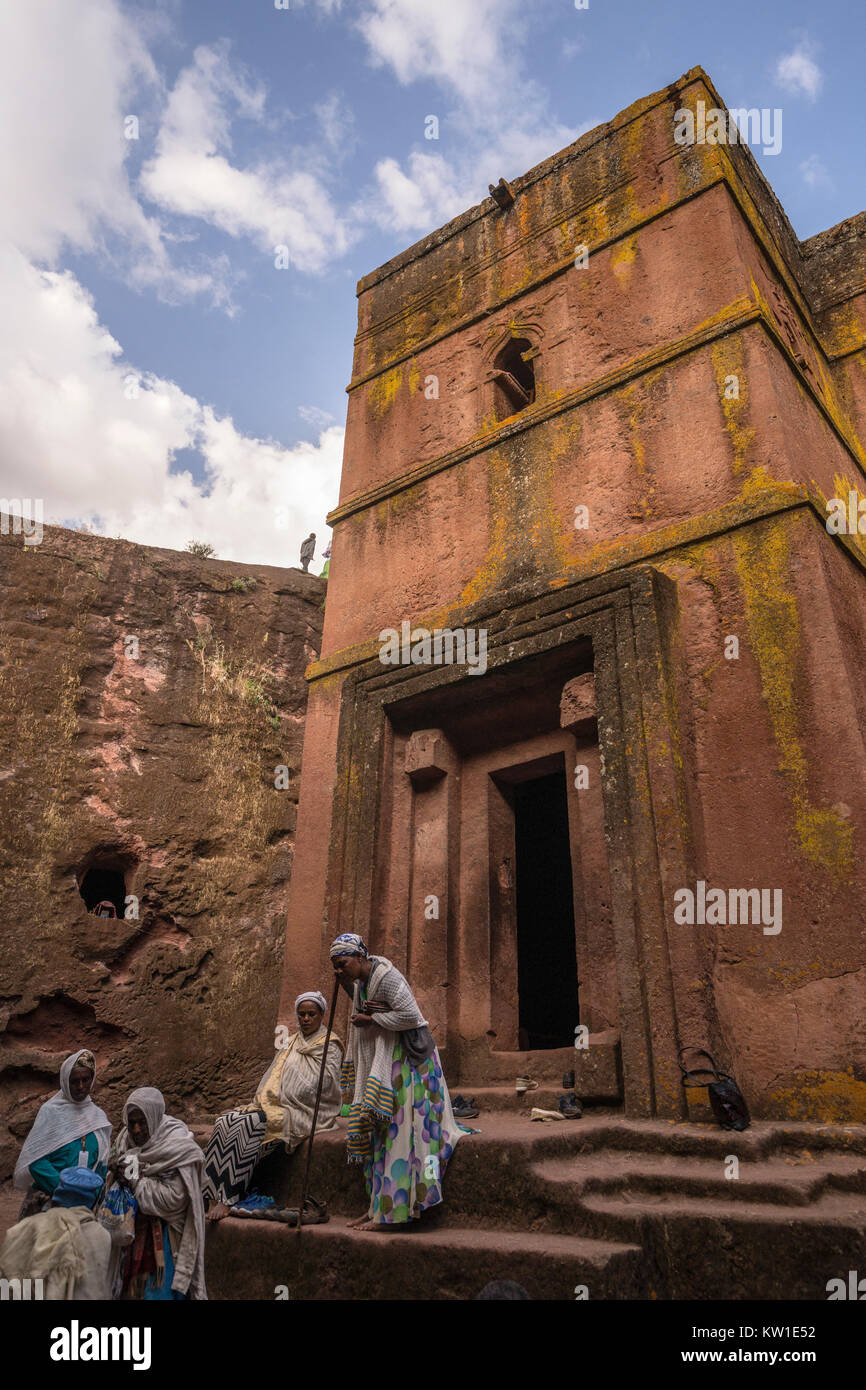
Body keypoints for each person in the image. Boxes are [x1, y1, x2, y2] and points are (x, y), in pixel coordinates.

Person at [330, 932, 466, 1230]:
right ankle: (377, 1205)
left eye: (342, 964)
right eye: (335, 966)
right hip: (390, 1060)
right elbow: (369, 1003)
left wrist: (372, 1021)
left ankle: (395, 1211)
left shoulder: (388, 977)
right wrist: (346, 987)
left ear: (360, 957)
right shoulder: (362, 982)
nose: (339, 970)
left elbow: (411, 1015)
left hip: (411, 1061)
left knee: (400, 1133)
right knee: (380, 1134)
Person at [204, 990, 343, 1221]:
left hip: (303, 1111)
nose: (306, 1019)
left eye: (311, 1014)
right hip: (275, 1104)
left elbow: (322, 1086)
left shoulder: (331, 1045)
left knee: (252, 1123)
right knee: (227, 1120)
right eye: (302, 1014)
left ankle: (228, 1198)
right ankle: (210, 1193)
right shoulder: (291, 1041)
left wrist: (283, 1097)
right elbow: (273, 1077)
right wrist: (267, 1100)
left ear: (321, 1016)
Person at [110, 1087, 207, 1300]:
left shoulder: (177, 1145)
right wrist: (116, 1172)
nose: (135, 1130)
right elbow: (117, 1164)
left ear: (153, 1118)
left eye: (141, 1122)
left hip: (165, 1236)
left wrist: (135, 1181)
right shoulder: (125, 1140)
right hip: (132, 1234)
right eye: (131, 1122)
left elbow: (174, 1199)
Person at [13, 1048, 111, 1219]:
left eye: (85, 1080)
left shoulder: (98, 1117)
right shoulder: (51, 1112)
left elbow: (102, 1161)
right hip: (50, 1201)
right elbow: (36, 1161)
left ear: (92, 1079)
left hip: (85, 1205)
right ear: (65, 1081)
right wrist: (65, 1190)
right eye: (74, 1081)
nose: (80, 1087)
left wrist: (92, 1192)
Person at [0, 1166, 111, 1300]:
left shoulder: (32, 1226)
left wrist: (31, 1218)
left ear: (58, 1194)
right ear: (93, 1200)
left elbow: (10, 1274)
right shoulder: (102, 1235)